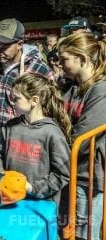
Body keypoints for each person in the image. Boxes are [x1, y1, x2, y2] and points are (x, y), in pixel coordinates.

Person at [0, 18, 54, 192]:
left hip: (20, 154)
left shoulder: (39, 70)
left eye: (4, 46)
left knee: (11, 203)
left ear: (19, 43)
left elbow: (50, 111)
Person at [0, 73, 70, 207]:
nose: (11, 102)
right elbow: (0, 155)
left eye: (16, 98)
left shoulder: (52, 133)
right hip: (9, 199)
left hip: (40, 205)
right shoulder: (9, 127)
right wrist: (0, 177)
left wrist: (32, 189)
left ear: (34, 100)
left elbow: (63, 174)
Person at [58, 32, 106, 240]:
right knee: (64, 231)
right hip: (68, 171)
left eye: (64, 59)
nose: (60, 64)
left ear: (82, 59)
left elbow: (83, 137)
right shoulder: (72, 87)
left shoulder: (101, 90)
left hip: (88, 178)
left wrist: (52, 152)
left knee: (83, 234)